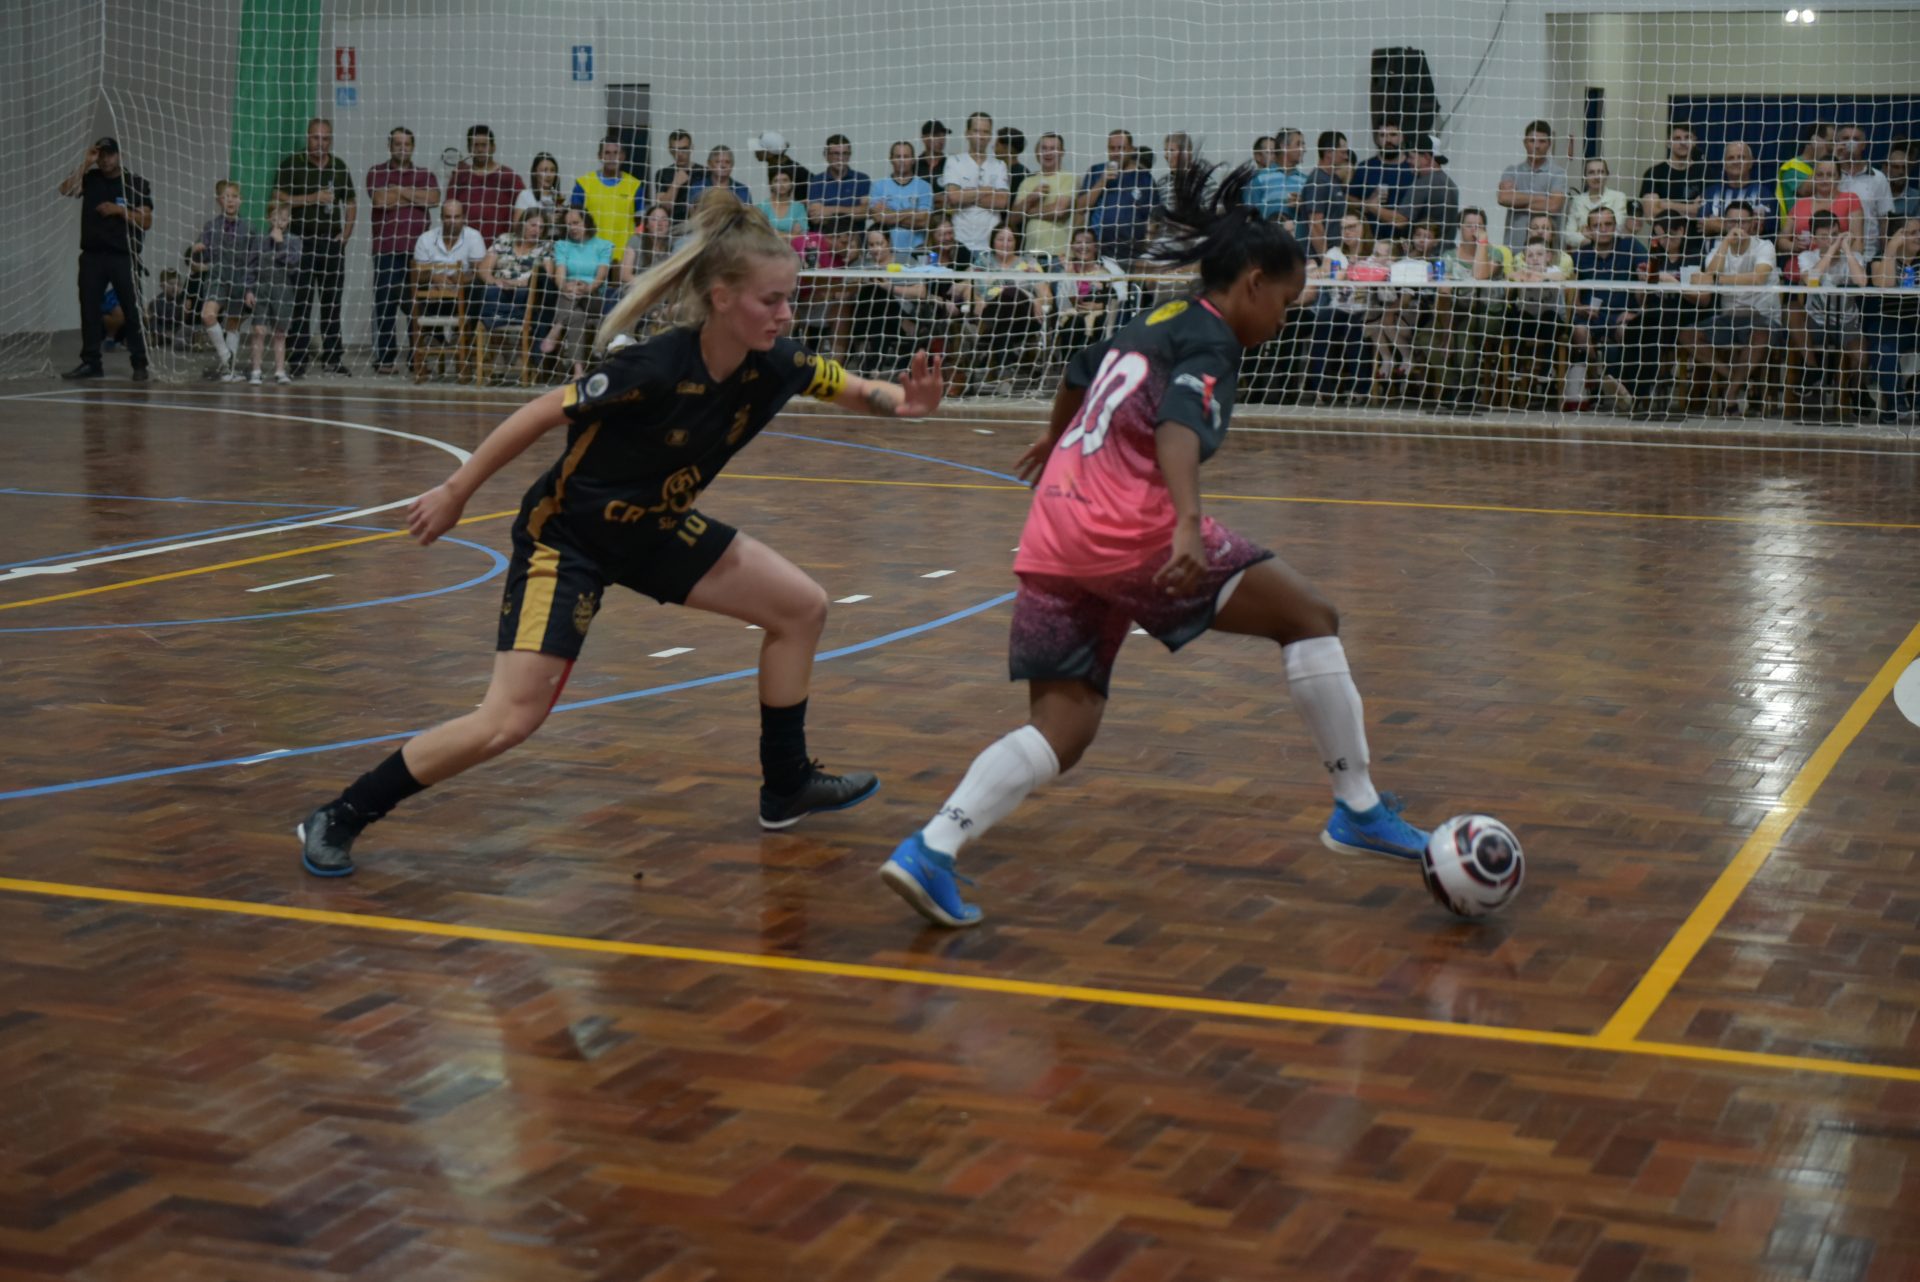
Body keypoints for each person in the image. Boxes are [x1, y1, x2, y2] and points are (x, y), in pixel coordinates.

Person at [296, 189, 948, 878]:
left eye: (789, 299)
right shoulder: (655, 366)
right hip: (568, 541)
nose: (786, 314)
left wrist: (905, 403)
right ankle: (342, 812)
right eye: (772, 300)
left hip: (656, 530)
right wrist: (456, 492)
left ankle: (786, 785)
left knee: (801, 608)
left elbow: (856, 389)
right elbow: (542, 412)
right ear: (722, 297)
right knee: (509, 719)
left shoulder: (778, 362)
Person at [877, 157, 1428, 929]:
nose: (1284, 320)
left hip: (1053, 531)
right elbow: (1176, 425)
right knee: (1310, 617)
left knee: (1062, 731)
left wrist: (1056, 438)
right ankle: (1359, 807)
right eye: (1286, 302)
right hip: (1128, 530)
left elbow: (1080, 369)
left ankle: (931, 848)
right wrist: (1185, 524)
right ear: (1253, 284)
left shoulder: (1160, 317)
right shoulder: (1213, 342)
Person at [59, 136, 151, 381]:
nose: (105, 159)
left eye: (109, 154)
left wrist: (119, 210)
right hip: (92, 256)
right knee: (89, 310)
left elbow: (146, 221)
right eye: (100, 155)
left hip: (123, 256)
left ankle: (139, 363)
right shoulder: (90, 179)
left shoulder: (135, 183)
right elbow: (65, 189)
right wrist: (85, 163)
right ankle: (91, 363)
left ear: (119, 155)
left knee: (131, 311)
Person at [272, 116, 356, 377]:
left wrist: (345, 235)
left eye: (326, 138)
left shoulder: (339, 167)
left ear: (331, 140)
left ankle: (333, 358)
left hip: (330, 243)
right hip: (299, 242)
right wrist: (312, 198)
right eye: (316, 138)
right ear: (308, 138)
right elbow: (276, 197)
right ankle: (298, 359)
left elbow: (351, 203)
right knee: (301, 303)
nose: (321, 143)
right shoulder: (292, 164)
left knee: (332, 303)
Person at [366, 127, 441, 374]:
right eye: (397, 143)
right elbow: (380, 201)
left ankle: (416, 357)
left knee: (417, 305)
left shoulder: (425, 174)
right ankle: (385, 358)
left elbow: (433, 199)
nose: (402, 148)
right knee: (385, 303)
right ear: (389, 146)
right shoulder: (377, 172)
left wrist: (397, 190)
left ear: (413, 146)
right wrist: (414, 196)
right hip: (387, 250)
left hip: (420, 252)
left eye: (406, 144)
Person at [1696, 201, 1779, 416]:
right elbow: (1708, 278)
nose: (1737, 227)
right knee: (1688, 335)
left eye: (1743, 222)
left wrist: (1719, 279)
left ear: (1752, 224)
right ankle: (1739, 380)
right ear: (1725, 223)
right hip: (1729, 317)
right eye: (1732, 222)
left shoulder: (1764, 246)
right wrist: (1725, 243)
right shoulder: (1717, 249)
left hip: (1762, 316)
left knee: (1761, 335)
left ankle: (1731, 395)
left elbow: (1758, 278)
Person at [1796, 210, 1868, 421]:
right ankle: (1813, 369)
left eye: (1834, 234)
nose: (1830, 240)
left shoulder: (1854, 257)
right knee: (1792, 310)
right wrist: (1831, 250)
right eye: (1824, 236)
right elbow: (1811, 281)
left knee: (1863, 356)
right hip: (1816, 321)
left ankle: (1855, 388)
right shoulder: (1807, 256)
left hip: (1847, 322)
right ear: (1814, 238)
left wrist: (1846, 250)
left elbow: (1862, 281)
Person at [194, 179, 256, 382]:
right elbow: (200, 259)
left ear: (241, 200)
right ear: (219, 200)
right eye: (226, 196)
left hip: (241, 280)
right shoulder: (211, 227)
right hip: (218, 277)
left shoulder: (249, 228)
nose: (231, 200)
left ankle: (228, 370)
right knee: (208, 315)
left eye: (235, 196)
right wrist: (197, 252)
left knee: (233, 323)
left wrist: (250, 288)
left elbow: (254, 261)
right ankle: (226, 356)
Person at [543, 207, 614, 380]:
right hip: (568, 295)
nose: (572, 228)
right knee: (577, 315)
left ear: (586, 222)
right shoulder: (562, 245)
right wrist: (565, 286)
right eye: (568, 224)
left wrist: (587, 288)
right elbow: (559, 274)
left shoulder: (603, 245)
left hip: (594, 297)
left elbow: (601, 276)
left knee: (576, 296)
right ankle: (578, 371)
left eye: (576, 223)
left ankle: (557, 327)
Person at [475, 206, 551, 351]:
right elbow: (483, 270)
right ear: (523, 224)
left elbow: (547, 276)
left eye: (541, 228)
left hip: (525, 292)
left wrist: (517, 283)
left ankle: (496, 319)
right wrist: (496, 281)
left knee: (524, 298)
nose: (537, 230)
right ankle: (518, 318)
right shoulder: (505, 239)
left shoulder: (546, 246)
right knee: (488, 292)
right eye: (533, 225)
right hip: (499, 289)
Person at [1869, 216, 1920, 423]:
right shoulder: (1879, 259)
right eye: (1913, 233)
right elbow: (1884, 284)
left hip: (1918, 321)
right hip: (1891, 322)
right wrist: (1890, 250)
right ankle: (1896, 403)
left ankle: (1916, 396)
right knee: (1883, 349)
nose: (1918, 237)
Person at [247, 198, 302, 385]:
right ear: (268, 218)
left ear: (289, 220)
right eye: (275, 218)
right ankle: (256, 370)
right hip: (261, 288)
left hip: (283, 289)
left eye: (284, 219)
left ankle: (280, 370)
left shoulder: (294, 240)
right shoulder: (259, 240)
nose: (279, 223)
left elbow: (293, 264)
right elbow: (251, 266)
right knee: (258, 330)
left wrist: (280, 243)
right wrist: (249, 290)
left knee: (280, 332)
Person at [942, 112, 1012, 259]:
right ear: (967, 133)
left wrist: (966, 194)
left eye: (986, 132)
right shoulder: (954, 161)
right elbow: (953, 198)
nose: (981, 136)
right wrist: (986, 190)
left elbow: (1002, 202)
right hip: (961, 241)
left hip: (991, 244)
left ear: (991, 135)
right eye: (977, 131)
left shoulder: (1000, 165)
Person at [445, 125, 525, 243]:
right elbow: (448, 211)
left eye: (484, 145)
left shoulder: (509, 177)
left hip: (500, 245)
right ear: (469, 148)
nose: (480, 150)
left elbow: (524, 212)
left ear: (493, 147)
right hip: (465, 244)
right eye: (476, 145)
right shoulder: (459, 177)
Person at [1497, 120, 1568, 252]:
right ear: (1525, 142)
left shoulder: (1558, 173)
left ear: (1549, 144)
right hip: (1515, 246)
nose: (1537, 146)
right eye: (1532, 141)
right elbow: (1503, 198)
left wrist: (1517, 201)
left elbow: (1554, 206)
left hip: (1548, 250)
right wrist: (1542, 199)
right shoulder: (1512, 171)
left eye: (1542, 141)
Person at [1014, 133, 1078, 266]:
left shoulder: (1069, 177)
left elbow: (1059, 211)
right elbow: (1013, 218)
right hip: (1030, 254)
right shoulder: (1027, 181)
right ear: (1037, 152)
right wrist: (1031, 197)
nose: (1048, 152)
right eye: (1044, 148)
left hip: (1059, 255)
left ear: (1062, 152)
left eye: (1053, 148)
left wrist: (1028, 211)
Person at [572, 137, 645, 253]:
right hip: (592, 253)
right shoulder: (583, 184)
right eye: (607, 153)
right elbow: (573, 220)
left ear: (623, 156)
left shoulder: (635, 186)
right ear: (599, 156)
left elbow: (641, 223)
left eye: (616, 153)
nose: (612, 157)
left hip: (624, 255)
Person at [870, 141, 935, 258]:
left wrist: (889, 214)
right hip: (886, 253)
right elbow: (878, 218)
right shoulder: (879, 186)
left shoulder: (924, 187)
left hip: (916, 251)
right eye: (898, 156)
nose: (902, 160)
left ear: (913, 160)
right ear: (891, 159)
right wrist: (911, 211)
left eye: (906, 156)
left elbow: (923, 221)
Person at [1638, 124, 1706, 225]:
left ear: (1694, 141)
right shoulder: (1654, 173)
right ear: (1668, 143)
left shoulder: (1706, 173)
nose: (1683, 142)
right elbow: (1651, 215)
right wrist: (1690, 208)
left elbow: (1704, 213)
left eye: (1687, 137)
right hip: (1664, 235)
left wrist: (1667, 205)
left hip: (1695, 235)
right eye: (1677, 138)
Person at [808, 134, 872, 239]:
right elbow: (816, 218)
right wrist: (852, 211)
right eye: (836, 153)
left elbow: (866, 212)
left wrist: (831, 210)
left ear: (850, 155)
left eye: (845, 153)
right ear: (826, 155)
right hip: (825, 243)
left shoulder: (862, 179)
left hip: (855, 243)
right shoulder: (816, 181)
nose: (840, 158)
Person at [1777, 121, 1833, 229]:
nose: (1834, 147)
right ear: (1815, 142)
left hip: (1824, 229)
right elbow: (1806, 191)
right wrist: (1822, 158)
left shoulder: (1830, 165)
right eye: (1831, 142)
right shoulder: (1792, 167)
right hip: (1797, 231)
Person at [1564, 159, 1631, 250]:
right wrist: (1590, 243)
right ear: (1585, 176)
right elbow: (1568, 235)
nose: (1596, 177)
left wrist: (1583, 231)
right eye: (1591, 172)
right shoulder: (1577, 200)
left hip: (1612, 252)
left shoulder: (1618, 197)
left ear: (1607, 175)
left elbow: (1617, 230)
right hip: (1584, 252)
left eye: (1600, 172)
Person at [652, 130, 706, 231]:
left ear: (691, 148)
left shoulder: (704, 172)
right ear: (670, 150)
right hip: (672, 229)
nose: (680, 154)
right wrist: (676, 184)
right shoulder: (663, 173)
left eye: (684, 149)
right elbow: (662, 208)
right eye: (675, 150)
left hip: (699, 229)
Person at [514, 152, 567, 240]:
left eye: (552, 170)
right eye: (544, 170)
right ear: (535, 172)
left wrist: (563, 218)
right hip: (534, 242)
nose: (549, 175)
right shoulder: (525, 195)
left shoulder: (559, 196)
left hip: (557, 241)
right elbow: (517, 226)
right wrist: (546, 220)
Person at [758, 166, 809, 236]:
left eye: (785, 180)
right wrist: (790, 235)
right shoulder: (761, 207)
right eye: (776, 181)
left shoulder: (799, 207)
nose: (781, 184)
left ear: (791, 183)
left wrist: (773, 232)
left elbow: (801, 235)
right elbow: (760, 234)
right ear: (771, 185)